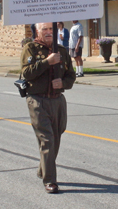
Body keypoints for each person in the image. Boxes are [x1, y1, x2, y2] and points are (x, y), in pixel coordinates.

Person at [20, 22, 76, 193]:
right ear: (37, 31)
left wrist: (63, 83)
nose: (48, 32)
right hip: (37, 100)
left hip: (57, 100)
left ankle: (43, 169)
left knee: (56, 137)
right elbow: (27, 73)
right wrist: (47, 62)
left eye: (50, 29)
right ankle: (50, 180)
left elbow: (71, 75)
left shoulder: (62, 51)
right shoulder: (31, 49)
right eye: (44, 29)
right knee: (47, 139)